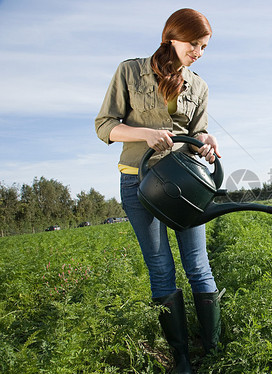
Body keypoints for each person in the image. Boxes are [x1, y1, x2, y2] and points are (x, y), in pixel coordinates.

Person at [95, 8, 221, 374]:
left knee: (198, 266)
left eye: (204, 47)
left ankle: (211, 351)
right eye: (194, 44)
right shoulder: (129, 71)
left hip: (183, 186)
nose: (199, 52)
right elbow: (105, 126)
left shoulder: (199, 86)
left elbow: (197, 135)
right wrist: (145, 134)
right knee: (161, 268)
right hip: (139, 181)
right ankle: (181, 356)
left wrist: (206, 141)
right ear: (172, 36)